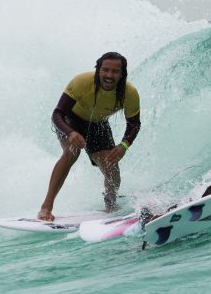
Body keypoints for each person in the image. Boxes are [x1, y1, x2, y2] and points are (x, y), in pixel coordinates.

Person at [38, 52, 141, 221]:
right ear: (98, 70)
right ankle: (46, 208)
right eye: (105, 70)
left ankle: (111, 206)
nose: (109, 75)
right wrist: (70, 132)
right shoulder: (82, 82)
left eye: (115, 72)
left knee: (111, 166)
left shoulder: (129, 93)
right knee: (72, 152)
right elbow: (57, 113)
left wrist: (124, 146)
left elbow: (134, 124)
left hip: (97, 124)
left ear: (122, 74)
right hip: (70, 120)